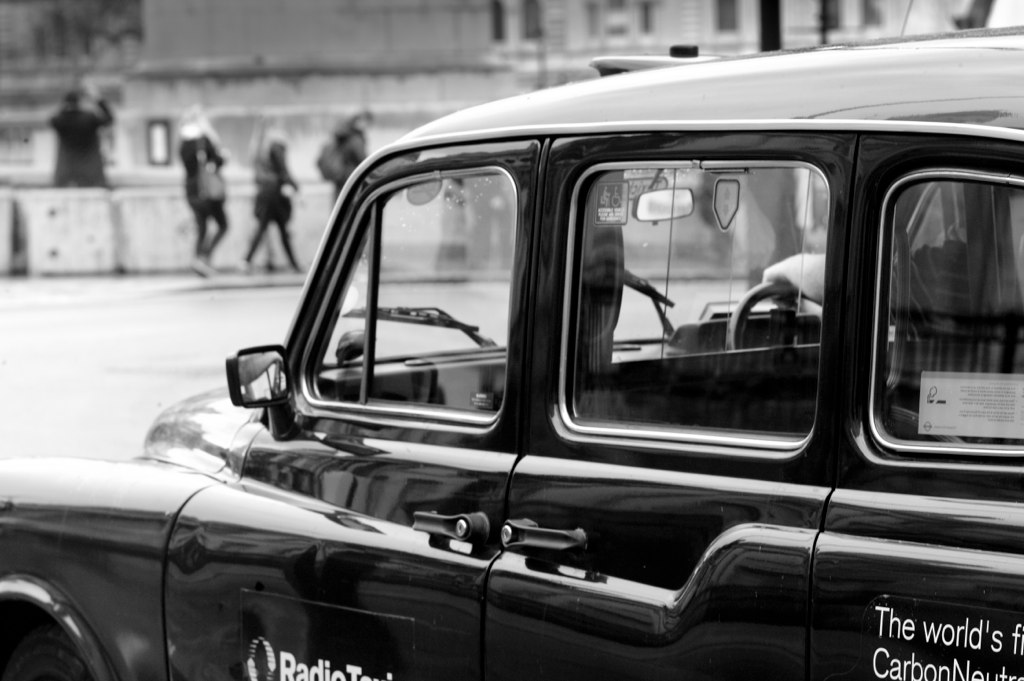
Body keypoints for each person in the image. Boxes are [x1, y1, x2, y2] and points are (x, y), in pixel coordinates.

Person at [179, 106, 229, 277]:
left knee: (202, 226)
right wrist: (222, 156)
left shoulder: (184, 141)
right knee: (222, 225)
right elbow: (218, 160)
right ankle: (203, 258)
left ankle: (199, 260)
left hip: (191, 189)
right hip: (207, 190)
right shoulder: (203, 139)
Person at [245, 126, 302, 273]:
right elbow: (283, 171)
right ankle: (294, 264)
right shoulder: (277, 148)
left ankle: (247, 260)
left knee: (264, 228)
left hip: (264, 193)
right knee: (281, 231)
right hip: (274, 195)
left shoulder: (260, 150)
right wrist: (295, 186)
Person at [50, 84, 114, 188]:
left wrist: (64, 107)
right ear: (79, 102)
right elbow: (109, 119)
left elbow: (52, 119)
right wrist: (99, 100)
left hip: (67, 173)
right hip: (91, 173)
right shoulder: (89, 118)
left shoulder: (59, 120)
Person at [316, 111, 371, 198]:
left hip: (340, 178)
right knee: (352, 206)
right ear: (359, 121)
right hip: (352, 179)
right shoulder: (355, 139)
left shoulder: (342, 136)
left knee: (340, 204)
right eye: (366, 122)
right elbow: (364, 161)